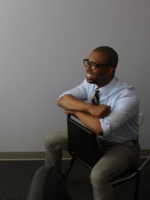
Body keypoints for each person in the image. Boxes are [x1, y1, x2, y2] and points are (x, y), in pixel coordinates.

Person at [44, 46, 140, 200]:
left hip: (123, 146)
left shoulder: (127, 96)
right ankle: (53, 178)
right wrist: (90, 108)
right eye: (87, 62)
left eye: (94, 65)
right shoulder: (90, 83)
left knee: (98, 176)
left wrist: (75, 110)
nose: (87, 68)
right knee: (50, 140)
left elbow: (102, 128)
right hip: (94, 139)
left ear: (109, 70)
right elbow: (62, 99)